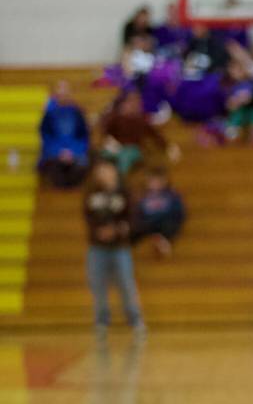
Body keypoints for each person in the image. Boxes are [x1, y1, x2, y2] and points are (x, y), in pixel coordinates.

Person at [83, 157, 145, 336]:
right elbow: (88, 217)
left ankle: (135, 319)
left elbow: (132, 218)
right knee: (97, 284)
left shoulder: (124, 193)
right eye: (100, 170)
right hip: (97, 247)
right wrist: (99, 232)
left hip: (119, 247)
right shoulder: (91, 194)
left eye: (106, 169)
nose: (103, 173)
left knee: (126, 283)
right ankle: (102, 320)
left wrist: (117, 230)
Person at [37, 80, 90, 188]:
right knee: (52, 167)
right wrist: (59, 152)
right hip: (54, 152)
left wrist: (72, 151)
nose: (62, 96)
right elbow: (45, 136)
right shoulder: (49, 114)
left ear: (70, 94)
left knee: (81, 165)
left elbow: (84, 136)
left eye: (65, 93)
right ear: (55, 96)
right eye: (60, 94)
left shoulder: (77, 113)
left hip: (75, 151)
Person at [130, 168, 186, 257]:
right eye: (151, 180)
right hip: (148, 223)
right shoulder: (143, 196)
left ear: (164, 181)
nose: (154, 183)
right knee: (135, 229)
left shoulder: (171, 195)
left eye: (157, 181)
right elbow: (139, 212)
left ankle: (164, 242)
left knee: (169, 225)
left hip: (164, 222)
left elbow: (179, 212)